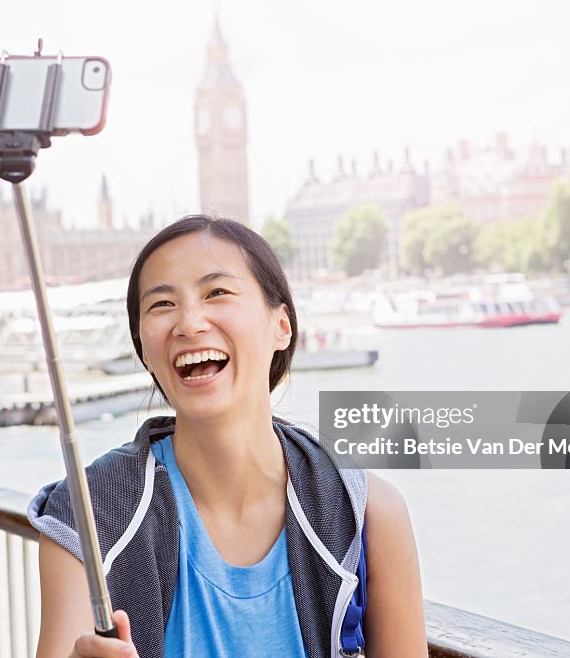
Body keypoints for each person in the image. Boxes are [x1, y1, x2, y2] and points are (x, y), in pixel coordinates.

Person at [28, 216, 426, 657]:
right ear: (143, 348)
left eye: (216, 292)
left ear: (282, 326)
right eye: (162, 305)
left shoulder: (367, 512)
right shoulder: (87, 514)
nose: (189, 323)